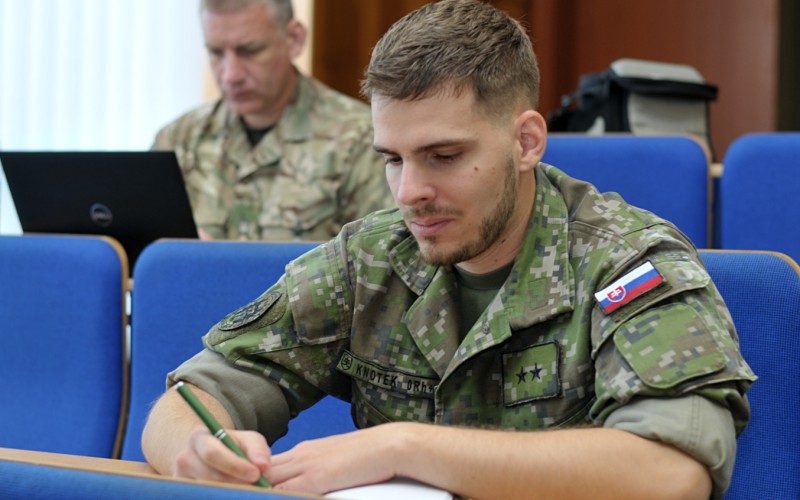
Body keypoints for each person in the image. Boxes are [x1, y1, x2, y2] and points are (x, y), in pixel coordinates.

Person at [142, 1, 756, 498]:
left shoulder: (626, 263)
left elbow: (670, 473)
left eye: (443, 156)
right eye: (392, 159)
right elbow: (191, 398)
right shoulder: (369, 259)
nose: (409, 192)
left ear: (526, 142)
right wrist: (198, 449)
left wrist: (404, 447)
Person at [152, 0, 391, 241]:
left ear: (294, 39)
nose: (230, 75)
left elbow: (378, 256)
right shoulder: (178, 140)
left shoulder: (360, 140)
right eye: (216, 53)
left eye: (249, 51)